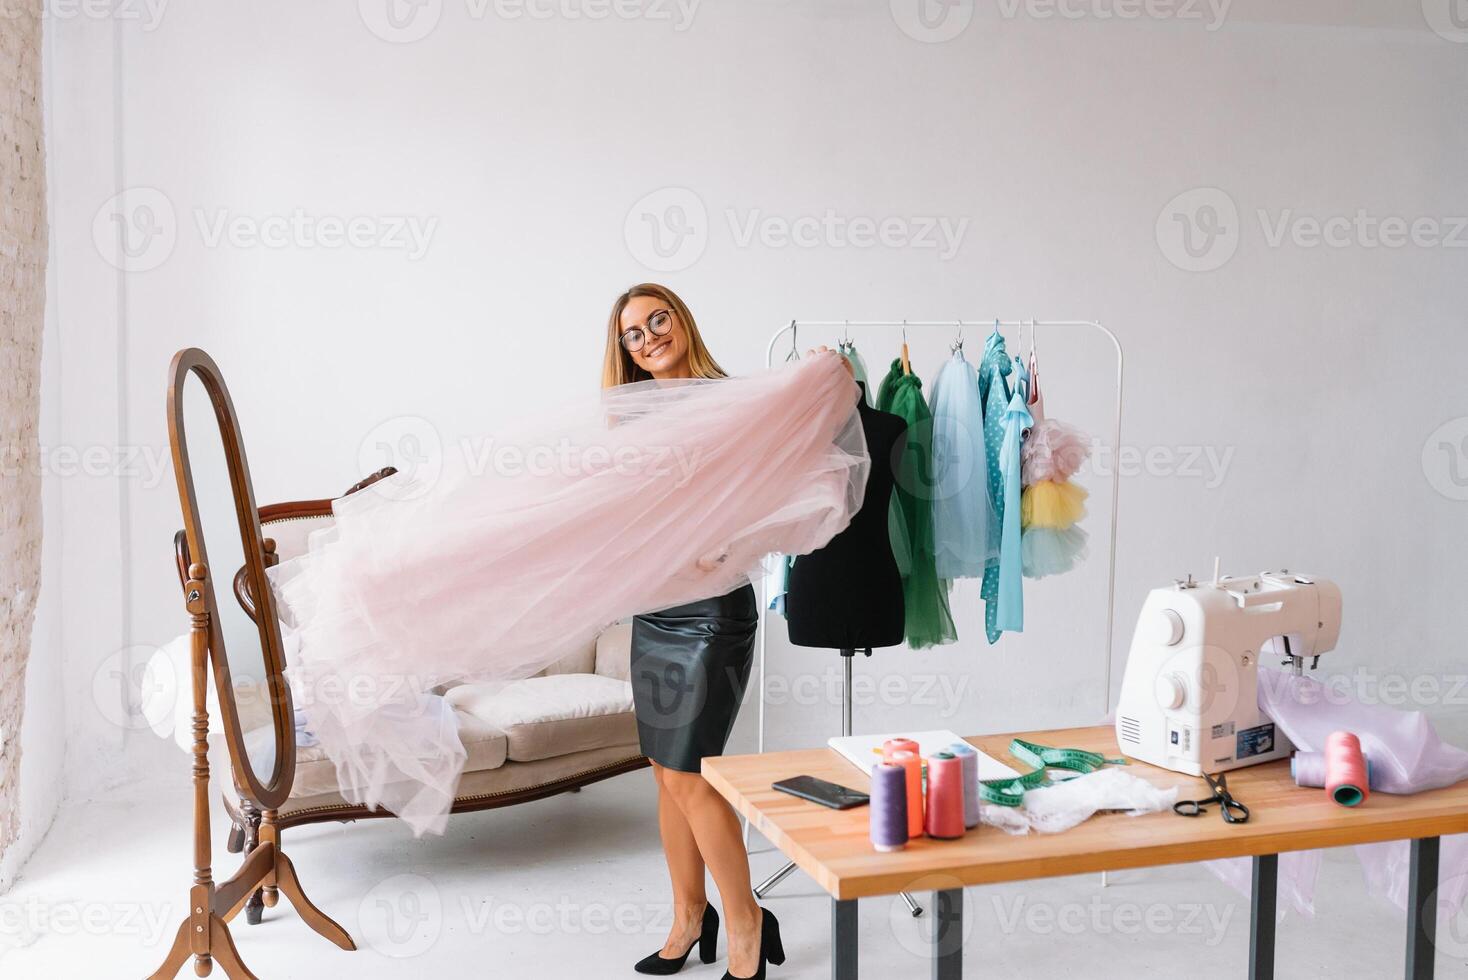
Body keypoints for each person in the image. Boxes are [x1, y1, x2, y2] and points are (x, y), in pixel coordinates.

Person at [604, 283, 786, 980]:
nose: (647, 336)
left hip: (712, 612)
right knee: (665, 774)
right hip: (655, 612)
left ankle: (746, 926)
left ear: (682, 321)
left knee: (692, 773)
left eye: (658, 319)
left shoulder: (727, 398)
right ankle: (688, 917)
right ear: (623, 349)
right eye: (632, 332)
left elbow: (767, 484)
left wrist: (729, 540)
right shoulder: (631, 416)